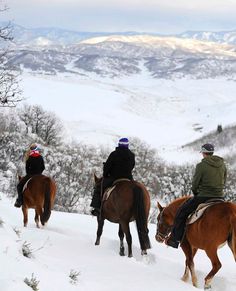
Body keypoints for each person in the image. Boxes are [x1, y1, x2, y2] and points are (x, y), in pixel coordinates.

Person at [166, 143, 227, 248]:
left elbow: (195, 183)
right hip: (220, 197)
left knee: (181, 212)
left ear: (203, 153)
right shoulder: (223, 165)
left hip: (204, 196)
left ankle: (175, 240)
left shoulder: (201, 165)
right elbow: (224, 180)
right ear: (212, 152)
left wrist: (195, 193)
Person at [90, 137, 135, 216]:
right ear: (127, 145)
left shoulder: (114, 154)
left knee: (99, 187)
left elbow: (107, 166)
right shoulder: (132, 155)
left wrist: (105, 174)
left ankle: (97, 208)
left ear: (119, 144)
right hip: (128, 178)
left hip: (114, 177)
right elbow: (132, 166)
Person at [14, 143, 45, 208]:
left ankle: (19, 200)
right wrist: (39, 173)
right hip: (39, 175)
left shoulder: (29, 157)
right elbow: (43, 167)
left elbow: (27, 168)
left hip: (30, 175)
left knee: (19, 186)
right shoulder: (40, 157)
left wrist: (29, 174)